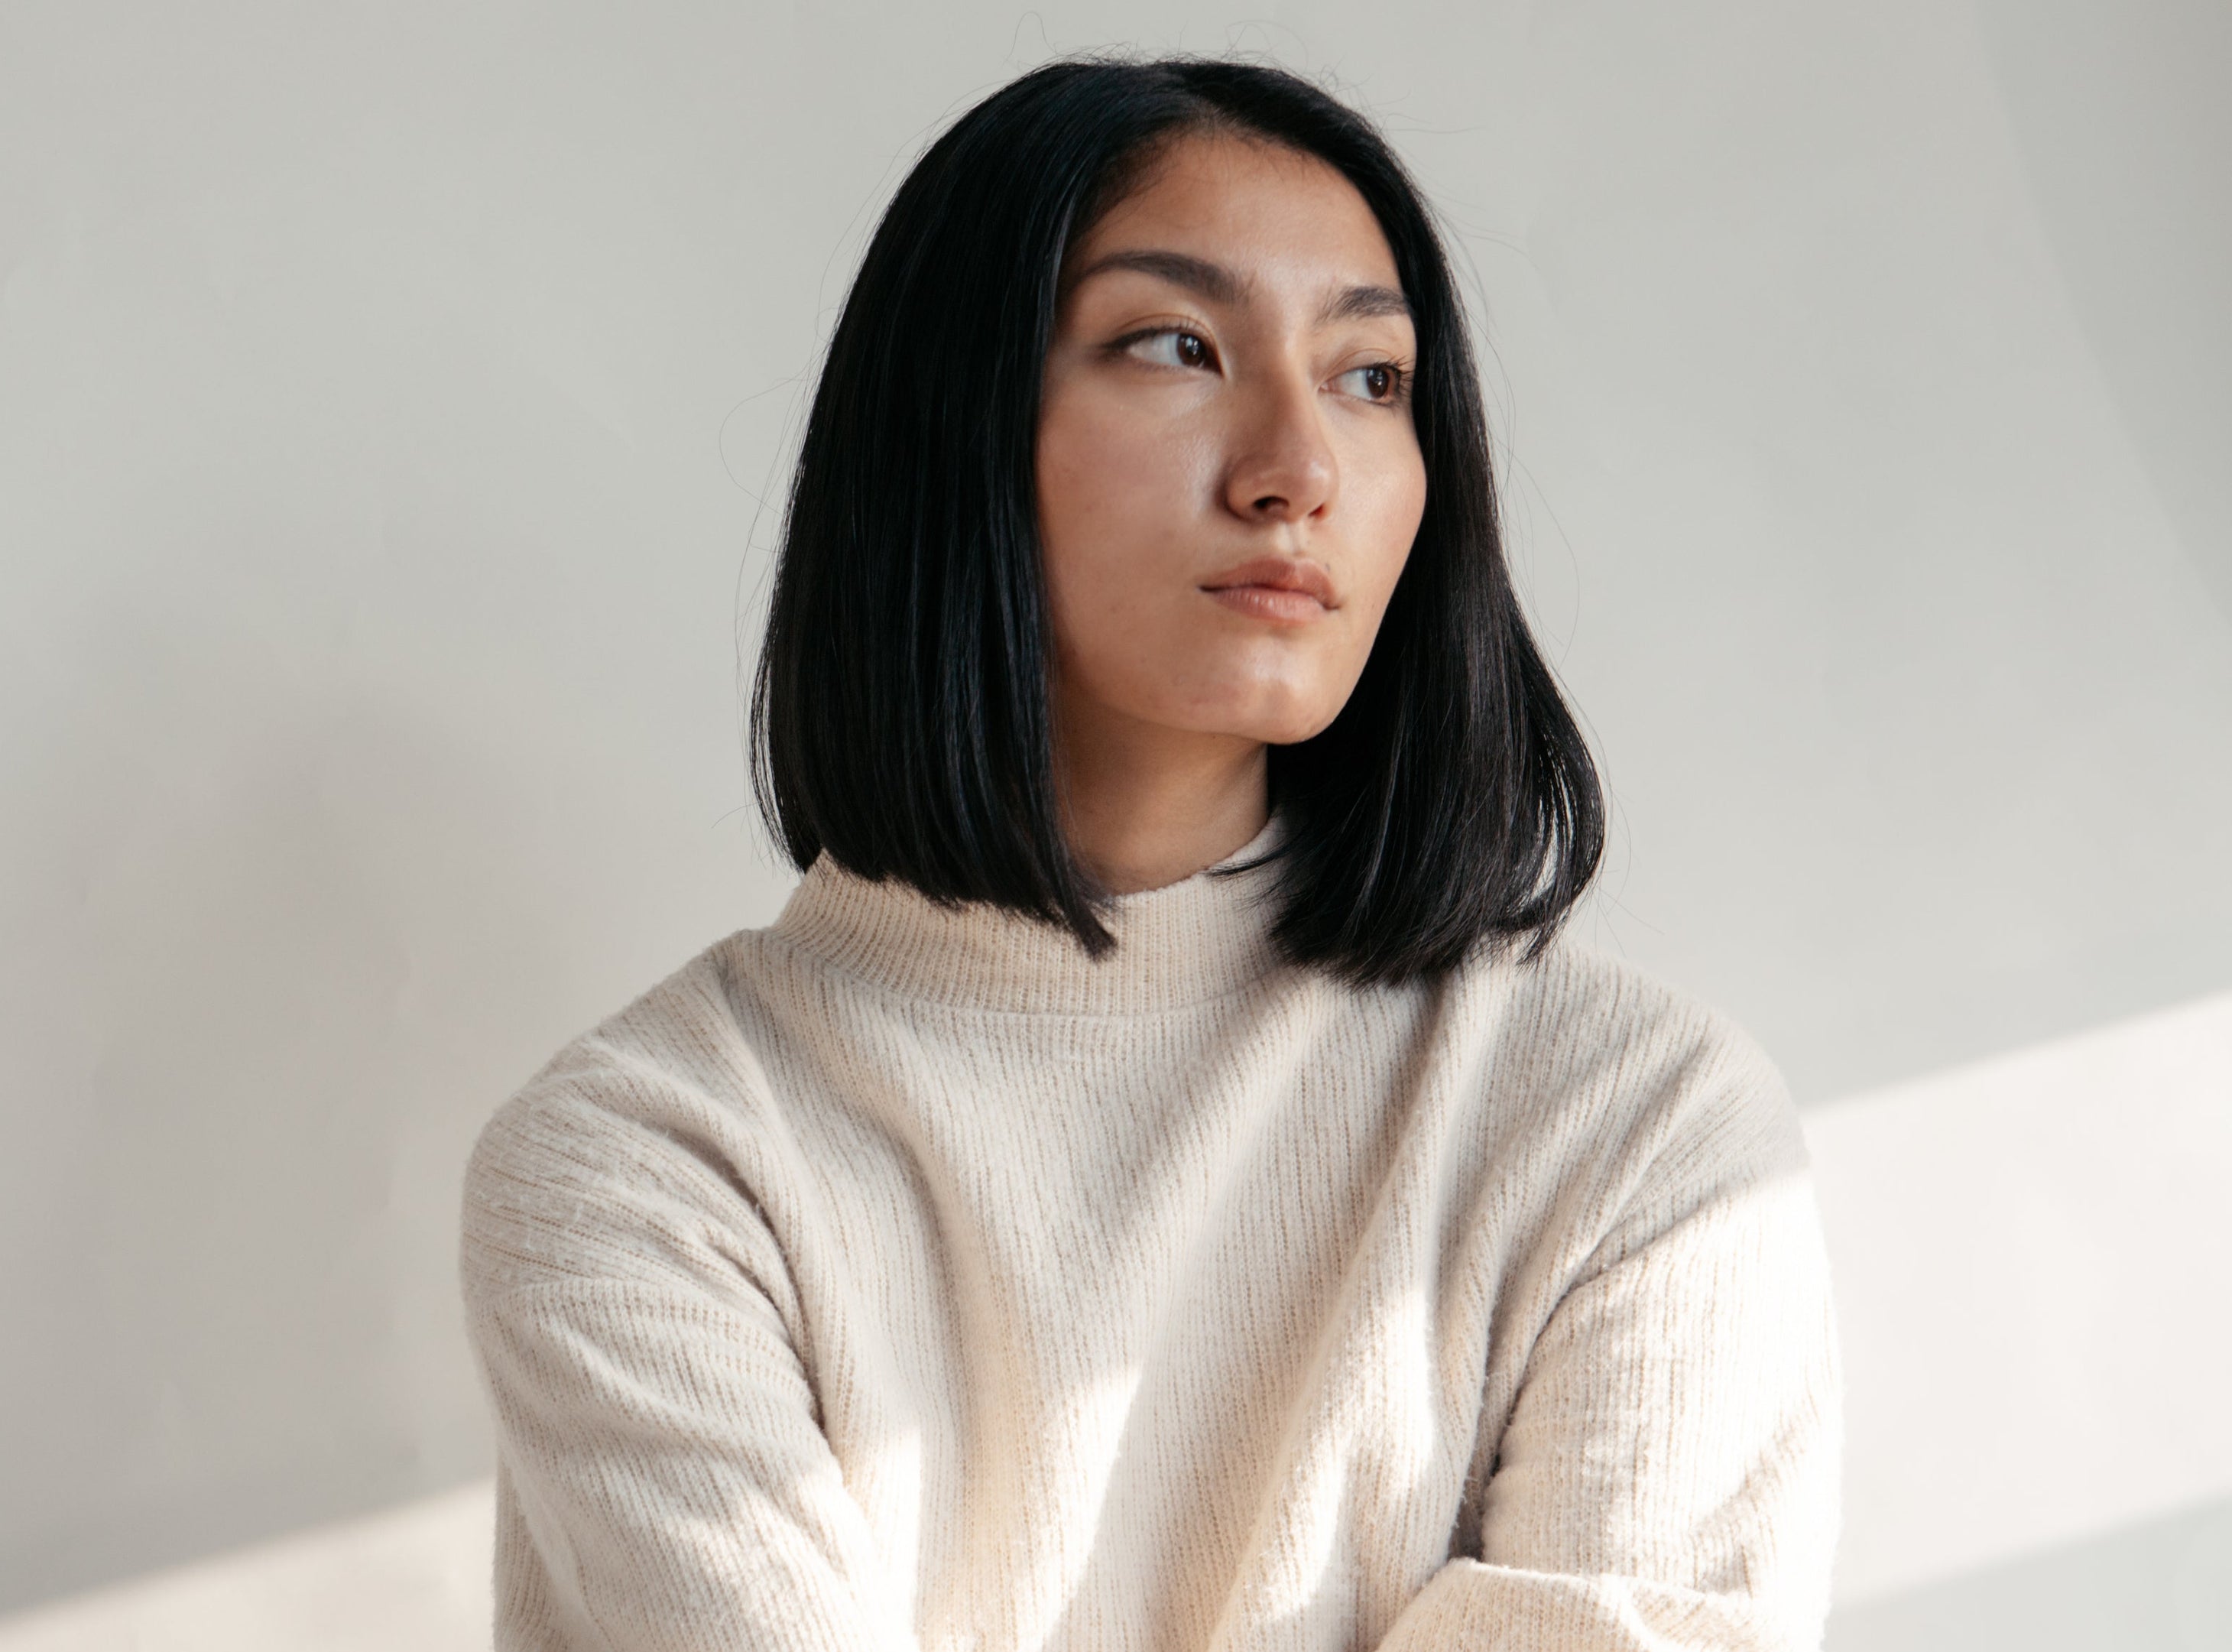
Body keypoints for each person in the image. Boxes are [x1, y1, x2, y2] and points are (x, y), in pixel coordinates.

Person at [460, 57, 1840, 1652]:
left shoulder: (1635, 1124)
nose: (1296, 470)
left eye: (1373, 378)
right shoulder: (650, 1165)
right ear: (953, 432)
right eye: (1174, 345)